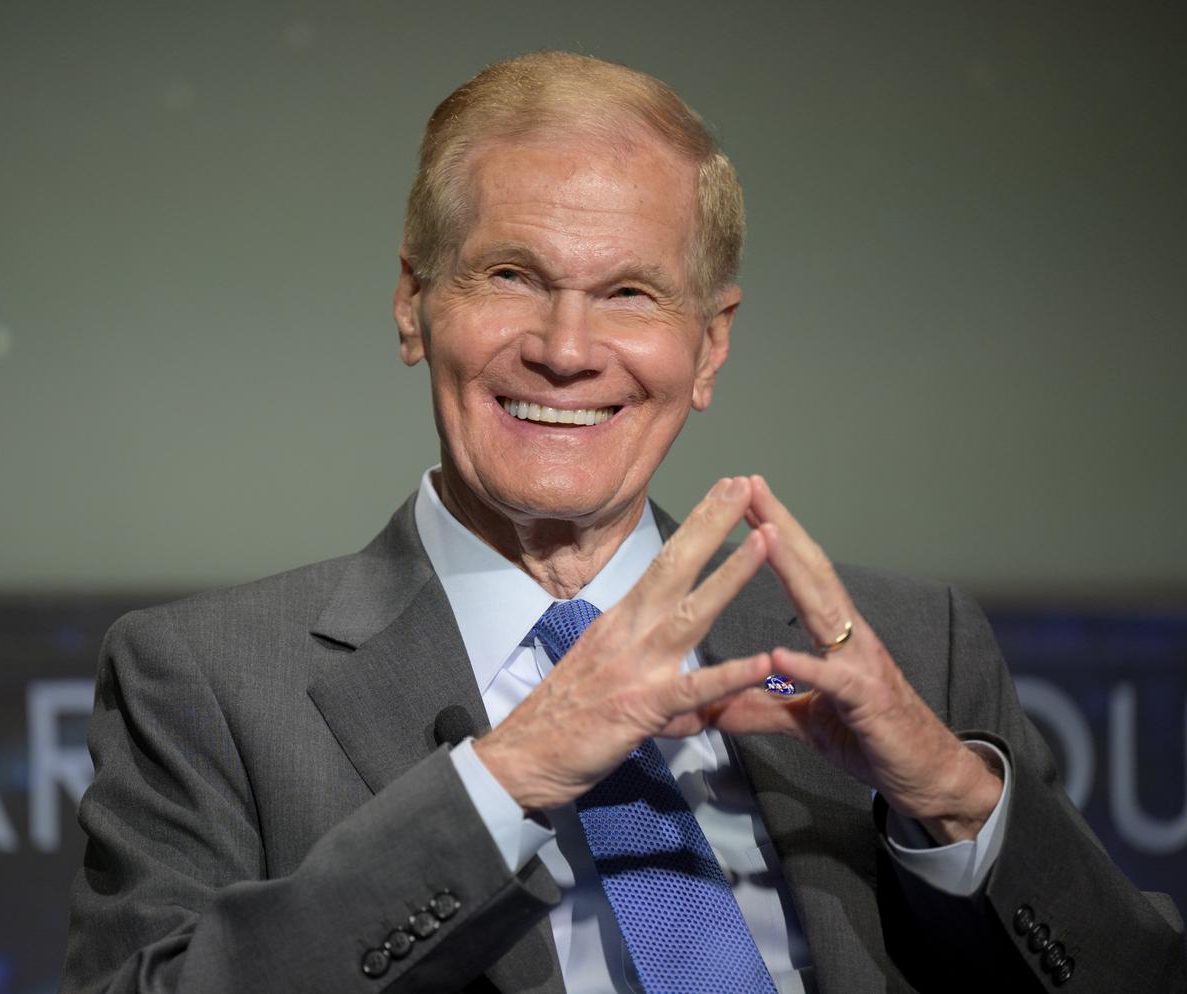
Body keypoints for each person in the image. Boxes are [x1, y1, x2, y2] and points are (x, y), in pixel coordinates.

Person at [62, 52, 1185, 994]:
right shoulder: (204, 680)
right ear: (413, 303)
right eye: (510, 274)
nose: (564, 346)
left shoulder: (910, 647)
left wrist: (948, 795)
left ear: (709, 346)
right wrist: (511, 777)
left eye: (630, 294)